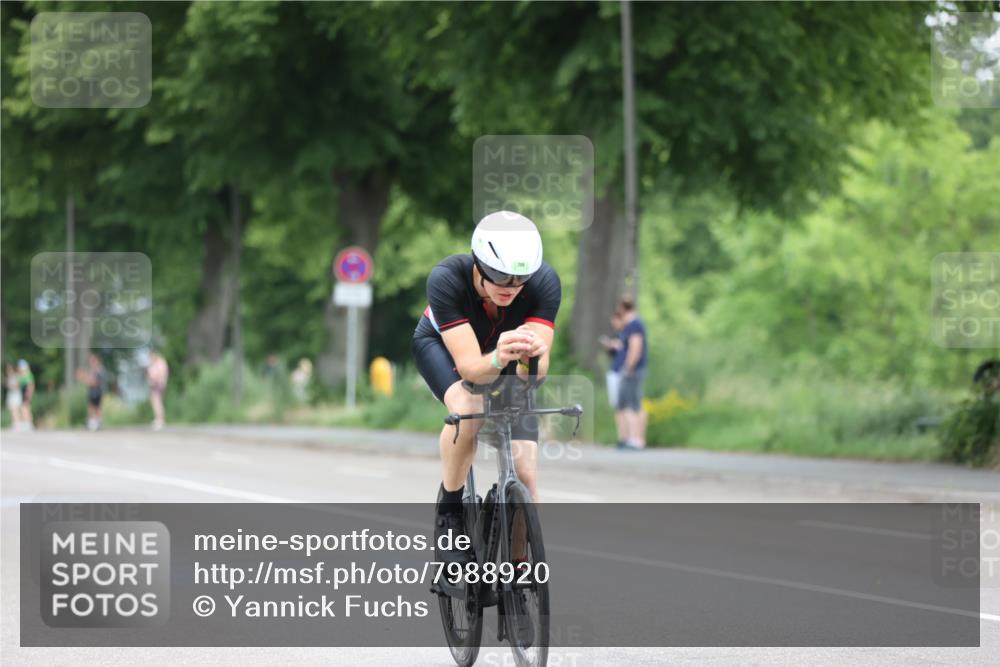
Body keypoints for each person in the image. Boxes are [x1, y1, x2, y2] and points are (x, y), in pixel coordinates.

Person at [412, 211, 561, 566]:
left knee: (526, 472)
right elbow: (470, 369)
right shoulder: (447, 278)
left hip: (503, 355)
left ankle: (520, 567)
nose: (509, 287)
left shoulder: (544, 283)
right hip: (444, 346)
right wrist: (498, 359)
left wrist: (532, 360)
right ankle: (450, 513)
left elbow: (533, 377)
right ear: (478, 264)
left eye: (520, 278)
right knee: (469, 409)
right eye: (499, 276)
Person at [615, 297, 648, 450]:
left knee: (632, 404)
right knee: (629, 403)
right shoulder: (632, 325)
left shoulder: (634, 324)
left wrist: (629, 367)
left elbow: (635, 346)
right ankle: (631, 438)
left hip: (632, 370)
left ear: (623, 308)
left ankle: (635, 439)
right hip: (632, 369)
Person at [77, 353, 106, 431]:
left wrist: (84, 378)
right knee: (93, 407)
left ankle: (96, 424)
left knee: (95, 408)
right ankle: (94, 423)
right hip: (93, 391)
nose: (91, 362)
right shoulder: (93, 370)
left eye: (93, 360)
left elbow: (94, 382)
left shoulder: (98, 370)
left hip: (97, 391)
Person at [146, 351, 169, 430]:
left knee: (157, 403)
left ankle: (160, 420)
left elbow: (158, 374)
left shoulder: (160, 363)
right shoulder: (156, 363)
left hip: (157, 385)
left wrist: (153, 379)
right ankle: (158, 419)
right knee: (157, 403)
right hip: (156, 385)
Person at [17, 359, 34, 431]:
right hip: (23, 393)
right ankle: (26, 424)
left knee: (26, 409)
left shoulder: (28, 374)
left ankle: (29, 424)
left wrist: (29, 394)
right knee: (23, 408)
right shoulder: (22, 375)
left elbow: (31, 385)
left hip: (26, 393)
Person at [5, 363, 22, 430]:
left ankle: (17, 424)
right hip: (11, 394)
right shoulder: (9, 377)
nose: (8, 370)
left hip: (15, 395)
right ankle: (14, 423)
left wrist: (11, 386)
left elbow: (18, 385)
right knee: (12, 410)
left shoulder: (16, 376)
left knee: (15, 410)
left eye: (9, 369)